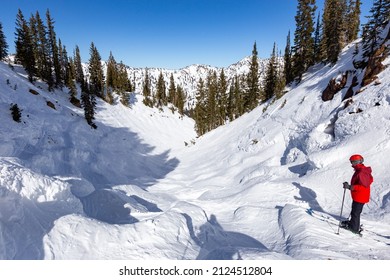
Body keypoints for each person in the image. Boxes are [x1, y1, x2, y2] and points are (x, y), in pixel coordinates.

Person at [341, 154, 373, 233]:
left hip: (360, 196)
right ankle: (353, 224)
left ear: (357, 162)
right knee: (355, 211)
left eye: (352, 162)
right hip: (360, 196)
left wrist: (349, 187)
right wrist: (350, 186)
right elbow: (370, 181)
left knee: (355, 212)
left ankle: (354, 228)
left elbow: (363, 186)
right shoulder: (362, 170)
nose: (351, 164)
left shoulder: (361, 172)